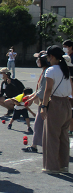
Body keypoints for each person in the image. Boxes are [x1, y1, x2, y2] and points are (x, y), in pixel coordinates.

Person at [40, 45, 72, 173]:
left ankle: (51, 166)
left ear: (51, 56)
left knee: (52, 136)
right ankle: (64, 165)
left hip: (56, 104)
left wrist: (43, 106)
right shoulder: (66, 69)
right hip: (66, 103)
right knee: (64, 136)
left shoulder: (51, 70)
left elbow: (48, 90)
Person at [22, 52, 49, 152]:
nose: (37, 61)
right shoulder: (45, 71)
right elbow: (40, 89)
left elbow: (42, 91)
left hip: (45, 103)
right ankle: (34, 145)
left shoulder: (47, 72)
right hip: (44, 102)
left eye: (39, 59)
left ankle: (35, 146)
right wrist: (31, 96)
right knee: (39, 124)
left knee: (39, 124)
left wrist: (30, 99)